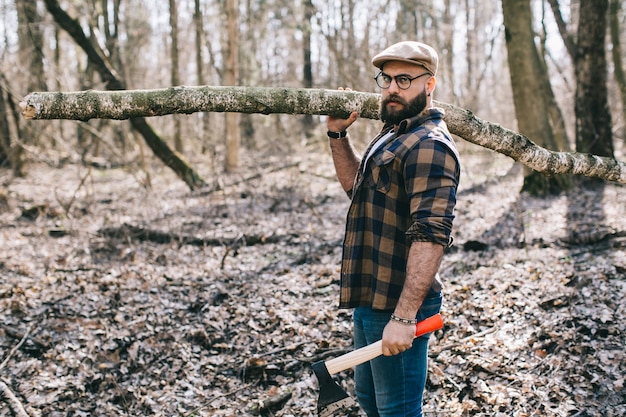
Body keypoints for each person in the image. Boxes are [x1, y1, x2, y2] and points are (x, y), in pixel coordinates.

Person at [326, 41, 461, 417]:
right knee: (372, 404)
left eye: (404, 79)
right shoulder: (393, 132)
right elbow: (358, 190)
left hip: (399, 304)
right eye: (386, 79)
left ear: (429, 84)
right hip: (371, 296)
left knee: (398, 411)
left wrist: (404, 318)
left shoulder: (431, 146)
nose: (392, 88)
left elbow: (431, 236)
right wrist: (338, 136)